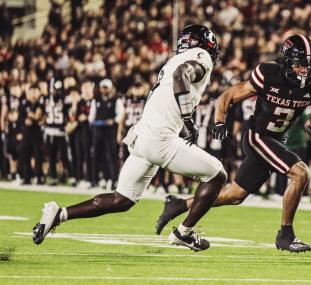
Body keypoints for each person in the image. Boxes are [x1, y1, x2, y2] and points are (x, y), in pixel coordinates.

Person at [33, 25, 227, 252]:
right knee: (217, 175)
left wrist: (183, 125)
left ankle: (59, 214)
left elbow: (169, 98)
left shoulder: (172, 61)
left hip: (144, 135)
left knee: (122, 199)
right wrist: (188, 119)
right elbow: (181, 76)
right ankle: (184, 233)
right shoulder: (200, 56)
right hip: (159, 138)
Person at [156, 34, 311, 253]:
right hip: (258, 136)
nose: (305, 71)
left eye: (309, 66)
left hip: (277, 139)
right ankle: (285, 235)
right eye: (300, 65)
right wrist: (219, 121)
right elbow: (228, 95)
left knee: (234, 195)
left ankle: (179, 206)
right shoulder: (269, 74)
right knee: (300, 173)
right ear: (287, 61)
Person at [43, 79, 75, 186]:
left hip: (61, 132)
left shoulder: (65, 99)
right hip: (50, 131)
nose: (56, 92)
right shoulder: (46, 99)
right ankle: (53, 177)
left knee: (65, 156)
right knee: (51, 157)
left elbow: (71, 114)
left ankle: (70, 175)